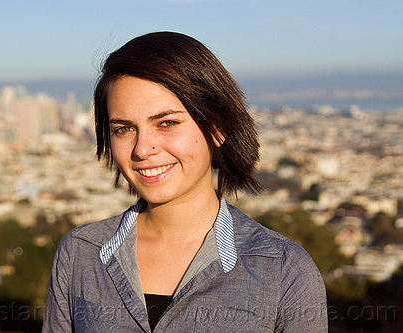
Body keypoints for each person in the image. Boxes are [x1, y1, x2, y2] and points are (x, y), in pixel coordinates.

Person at [42, 31, 327, 332]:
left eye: (167, 123)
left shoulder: (283, 271)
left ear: (217, 128)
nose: (142, 149)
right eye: (124, 129)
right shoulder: (81, 254)